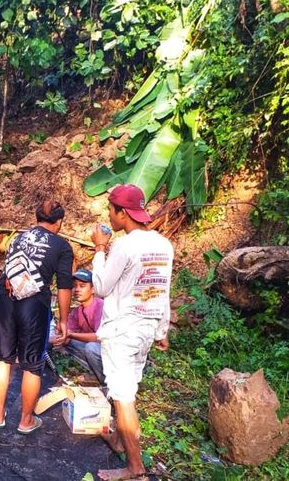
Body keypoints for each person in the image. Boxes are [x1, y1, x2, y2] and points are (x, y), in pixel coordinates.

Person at [90, 184, 174, 481]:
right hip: (146, 329)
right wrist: (162, 329)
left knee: (123, 397)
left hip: (123, 331)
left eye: (111, 211)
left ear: (122, 213)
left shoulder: (123, 246)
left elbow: (100, 287)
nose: (109, 218)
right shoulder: (164, 244)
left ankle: (135, 468)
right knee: (125, 389)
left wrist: (100, 248)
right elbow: (163, 291)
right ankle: (117, 440)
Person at [0, 201, 74, 434]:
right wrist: (64, 320)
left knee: (2, 358)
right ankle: (25, 421)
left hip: (5, 298)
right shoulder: (62, 246)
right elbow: (65, 286)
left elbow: (8, 273)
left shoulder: (17, 238)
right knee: (31, 364)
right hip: (34, 304)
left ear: (36, 217)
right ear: (59, 222)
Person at [52, 268, 105, 385]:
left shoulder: (100, 306)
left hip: (111, 350)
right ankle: (93, 372)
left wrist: (70, 334)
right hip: (97, 350)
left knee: (91, 348)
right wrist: (61, 335)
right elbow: (66, 335)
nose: (76, 290)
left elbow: (99, 337)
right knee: (68, 344)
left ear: (93, 289)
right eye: (75, 286)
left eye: (82, 286)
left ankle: (107, 383)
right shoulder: (77, 311)